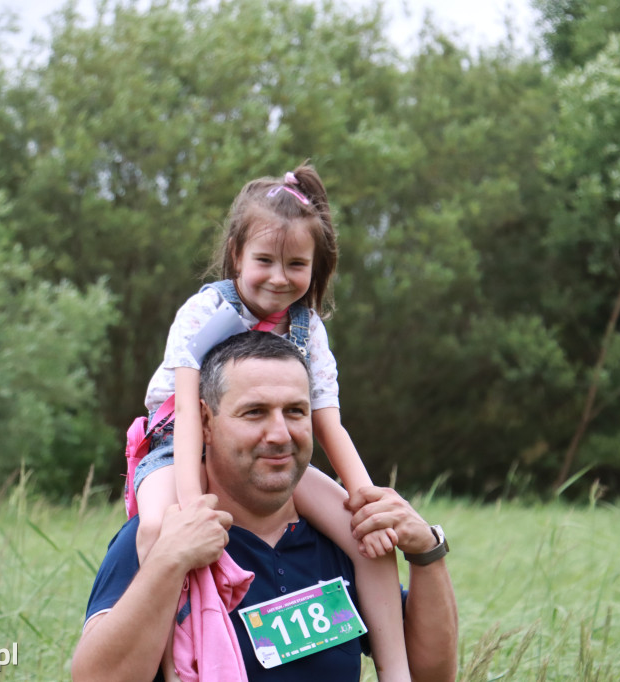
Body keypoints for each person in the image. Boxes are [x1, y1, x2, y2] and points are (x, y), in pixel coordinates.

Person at [129, 163, 409, 681]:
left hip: (272, 451)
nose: (280, 279)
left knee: (366, 538)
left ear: (316, 267)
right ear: (236, 254)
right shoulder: (205, 311)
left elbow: (328, 424)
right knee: (157, 529)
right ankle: (171, 666)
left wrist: (366, 499)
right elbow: (189, 411)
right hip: (178, 441)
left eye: (296, 264)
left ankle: (397, 672)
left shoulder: (309, 329)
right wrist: (193, 502)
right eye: (264, 260)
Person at [72, 332, 458, 682]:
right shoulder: (159, 539)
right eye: (254, 412)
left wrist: (427, 551)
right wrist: (168, 563)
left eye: (295, 411)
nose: (279, 434)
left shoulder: (345, 542)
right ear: (205, 422)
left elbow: (431, 675)